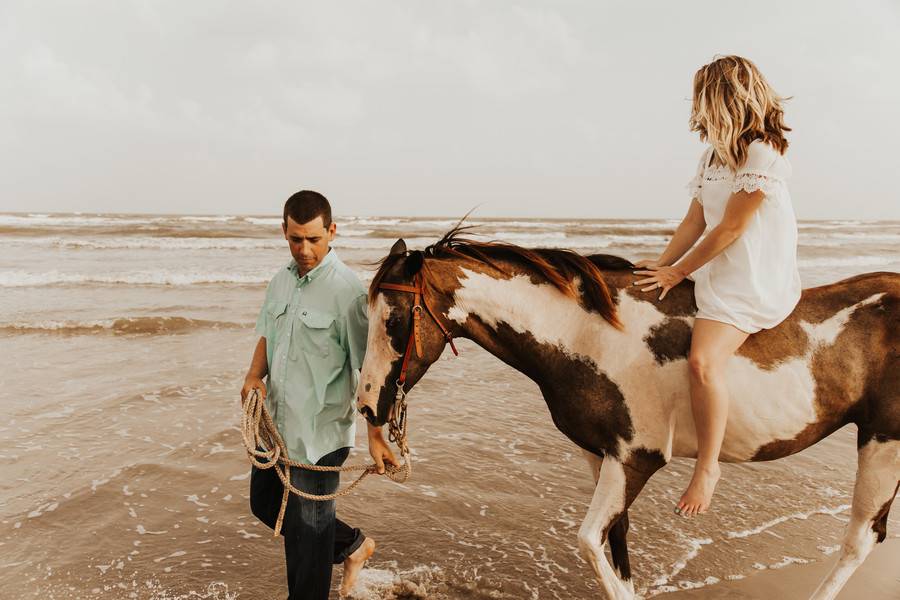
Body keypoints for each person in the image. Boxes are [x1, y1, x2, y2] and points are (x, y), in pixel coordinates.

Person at [632, 55, 801, 518]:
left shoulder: (764, 153)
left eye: (702, 96)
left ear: (725, 98)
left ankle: (708, 468)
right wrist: (660, 264)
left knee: (703, 363)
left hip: (750, 275)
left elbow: (729, 230)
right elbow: (694, 221)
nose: (696, 107)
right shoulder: (710, 156)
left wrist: (677, 274)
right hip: (716, 264)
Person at [240, 190, 396, 599]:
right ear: (284, 232)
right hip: (276, 429)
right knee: (264, 504)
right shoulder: (280, 280)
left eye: (313, 239)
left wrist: (376, 435)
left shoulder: (346, 292)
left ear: (331, 231)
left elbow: (370, 368)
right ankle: (351, 545)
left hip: (319, 436)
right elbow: (268, 333)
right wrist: (255, 374)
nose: (304, 249)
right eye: (295, 239)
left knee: (306, 548)